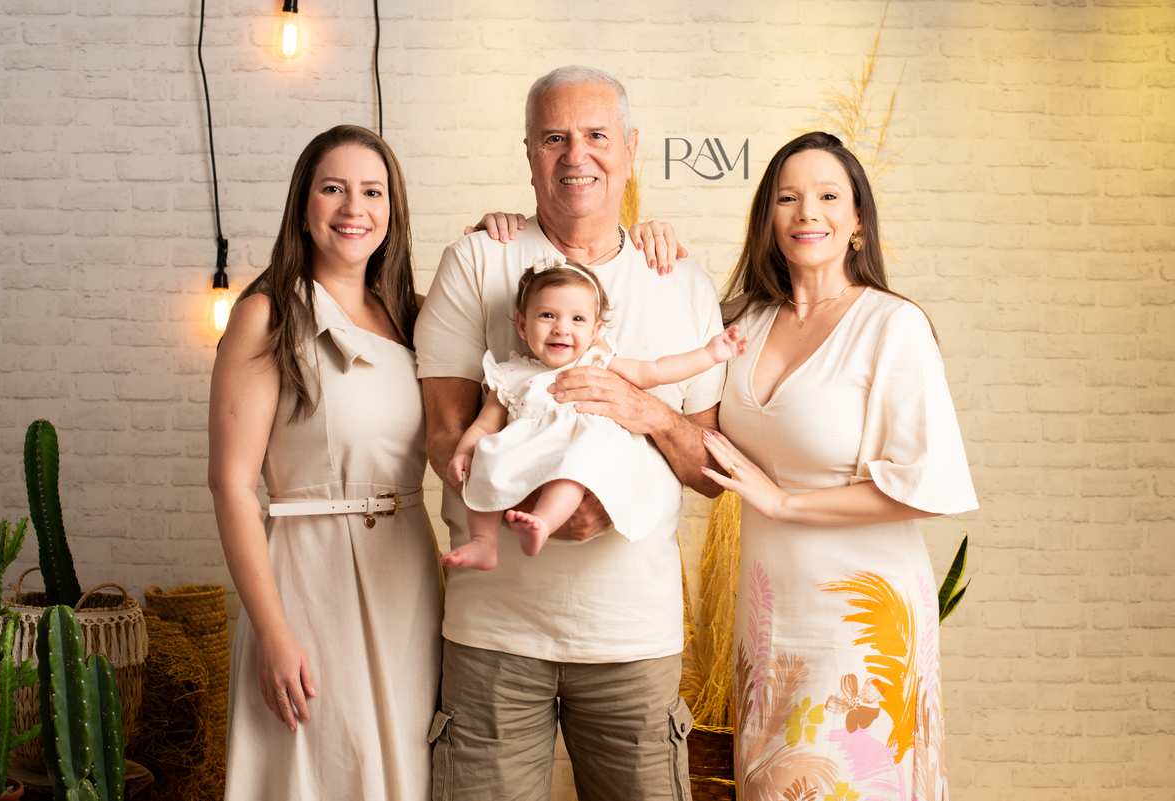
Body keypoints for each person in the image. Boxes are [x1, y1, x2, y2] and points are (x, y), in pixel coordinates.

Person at [414, 65, 726, 801]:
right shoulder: (478, 260)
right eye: (554, 138)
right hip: (494, 633)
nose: (575, 155)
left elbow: (711, 469)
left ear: (631, 149)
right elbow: (445, 431)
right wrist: (538, 499)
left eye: (596, 136)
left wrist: (647, 413)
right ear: (528, 152)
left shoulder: (681, 282)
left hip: (633, 637)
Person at [697, 132, 978, 800]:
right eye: (787, 198)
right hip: (770, 614)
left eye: (828, 196)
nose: (807, 212)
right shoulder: (740, 324)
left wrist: (784, 502)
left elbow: (928, 484)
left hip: (862, 618)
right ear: (767, 218)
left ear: (858, 221)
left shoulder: (892, 324)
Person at [208, 125, 442, 800]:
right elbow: (230, 485)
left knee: (404, 765)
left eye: (372, 192)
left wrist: (499, 232)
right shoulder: (266, 314)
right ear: (303, 204)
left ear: (393, 208)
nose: (353, 208)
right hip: (309, 582)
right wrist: (273, 631)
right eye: (333, 188)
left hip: (407, 575)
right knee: (322, 764)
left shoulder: (414, 316)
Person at [444, 260, 747, 569]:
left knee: (574, 469)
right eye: (547, 315)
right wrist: (464, 453)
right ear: (522, 325)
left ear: (595, 332)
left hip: (576, 448)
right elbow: (484, 425)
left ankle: (542, 522)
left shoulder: (597, 361)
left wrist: (709, 354)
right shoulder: (509, 375)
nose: (561, 328)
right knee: (488, 459)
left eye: (577, 319)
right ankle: (483, 542)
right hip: (524, 451)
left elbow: (655, 371)